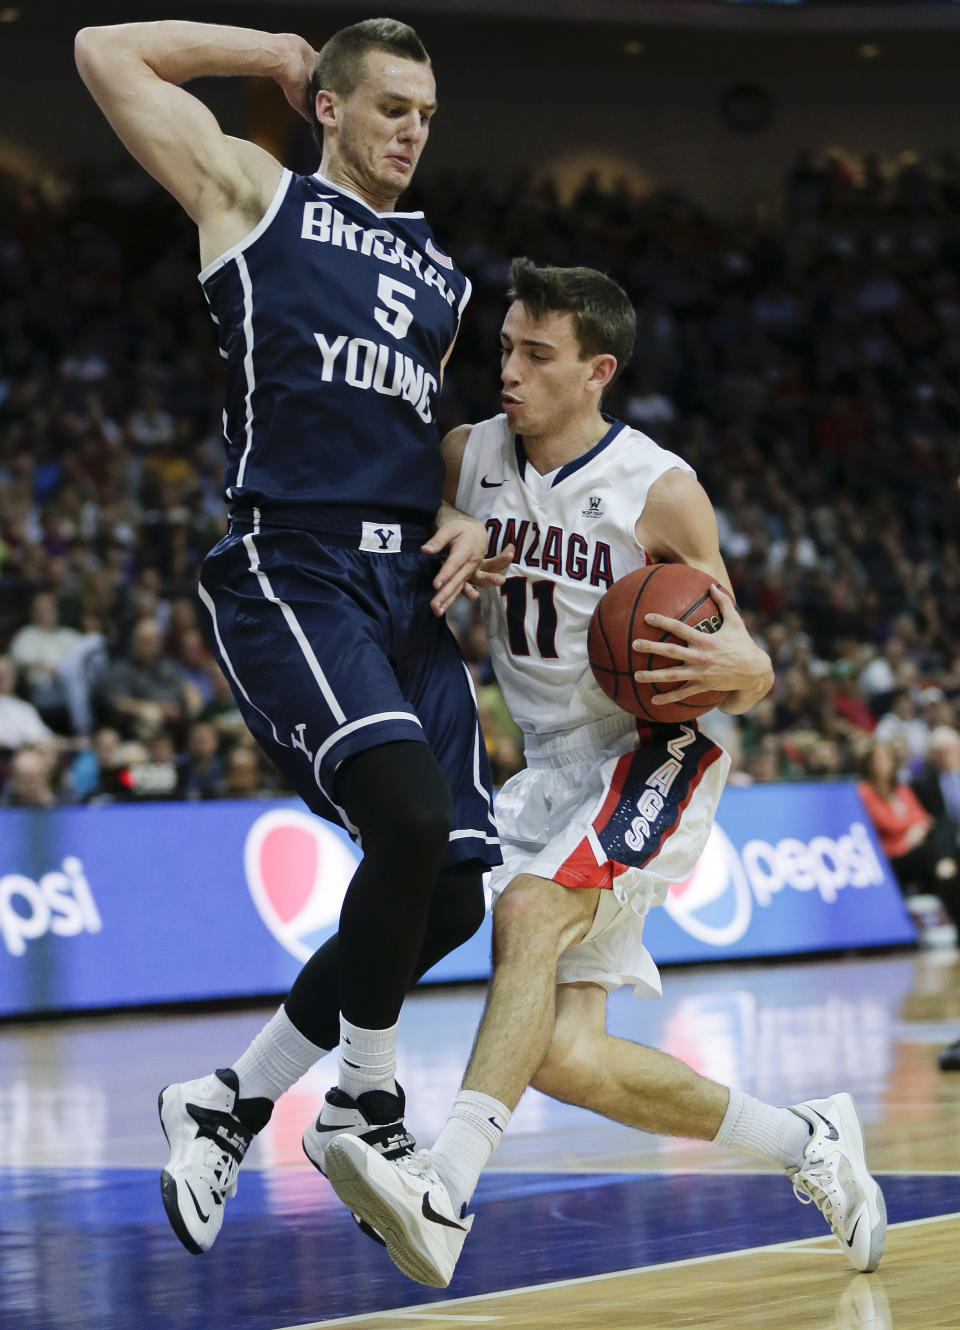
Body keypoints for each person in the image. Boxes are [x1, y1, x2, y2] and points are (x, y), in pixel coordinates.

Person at [321, 259, 888, 1287]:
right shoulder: (467, 455)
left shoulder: (659, 489)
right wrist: (447, 534)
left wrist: (745, 666)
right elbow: (405, 544)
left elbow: (745, 656)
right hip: (548, 765)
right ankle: (810, 1140)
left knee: (529, 914)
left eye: (538, 356)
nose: (510, 372)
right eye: (505, 348)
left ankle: (442, 1193)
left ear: (597, 372)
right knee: (567, 1055)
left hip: (652, 749)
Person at [75, 16, 506, 1255]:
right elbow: (105, 51)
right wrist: (262, 46)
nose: (412, 130)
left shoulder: (442, 277)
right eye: (389, 108)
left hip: (404, 590)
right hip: (294, 564)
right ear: (329, 108)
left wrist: (463, 514)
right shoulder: (252, 194)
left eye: (426, 112)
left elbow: (416, 438)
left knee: (455, 896)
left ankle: (229, 1100)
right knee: (410, 821)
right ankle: (365, 1104)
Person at [857, 735, 959, 923]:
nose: (882, 764)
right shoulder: (865, 791)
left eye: (886, 759)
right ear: (868, 764)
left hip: (915, 847)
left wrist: (916, 828)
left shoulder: (901, 789)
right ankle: (944, 865)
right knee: (934, 855)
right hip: (893, 855)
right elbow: (886, 822)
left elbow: (923, 818)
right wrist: (911, 832)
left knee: (947, 825)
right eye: (877, 760)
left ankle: (945, 865)